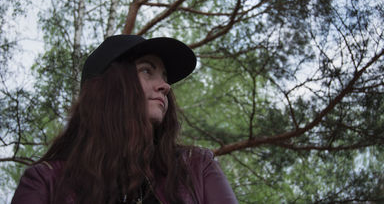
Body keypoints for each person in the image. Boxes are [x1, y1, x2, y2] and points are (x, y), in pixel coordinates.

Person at [11, 35, 239, 204]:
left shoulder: (196, 166)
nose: (166, 86)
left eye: (165, 77)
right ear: (109, 89)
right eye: (147, 71)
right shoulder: (47, 180)